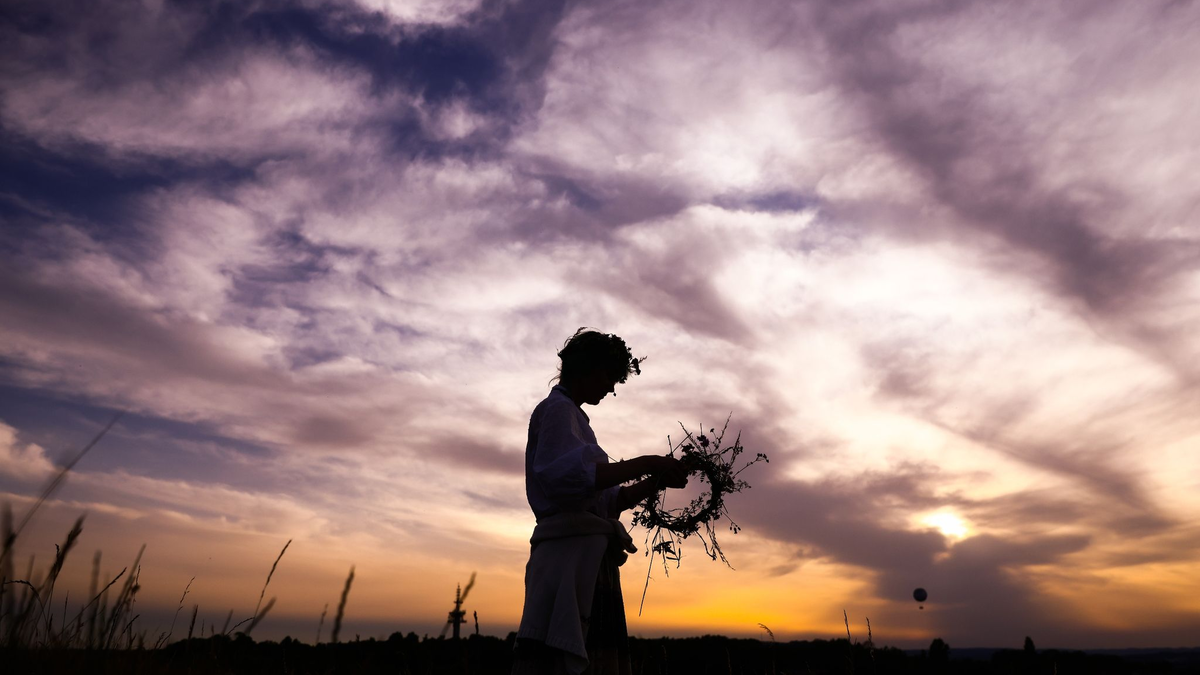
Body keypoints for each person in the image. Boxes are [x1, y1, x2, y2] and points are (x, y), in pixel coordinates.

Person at [512, 329, 690, 675]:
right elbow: (565, 479)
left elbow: (611, 500)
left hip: (587, 560)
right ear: (587, 368)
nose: (611, 388)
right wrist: (649, 462)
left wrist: (656, 480)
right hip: (568, 559)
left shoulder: (575, 420)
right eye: (609, 377)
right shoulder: (556, 411)